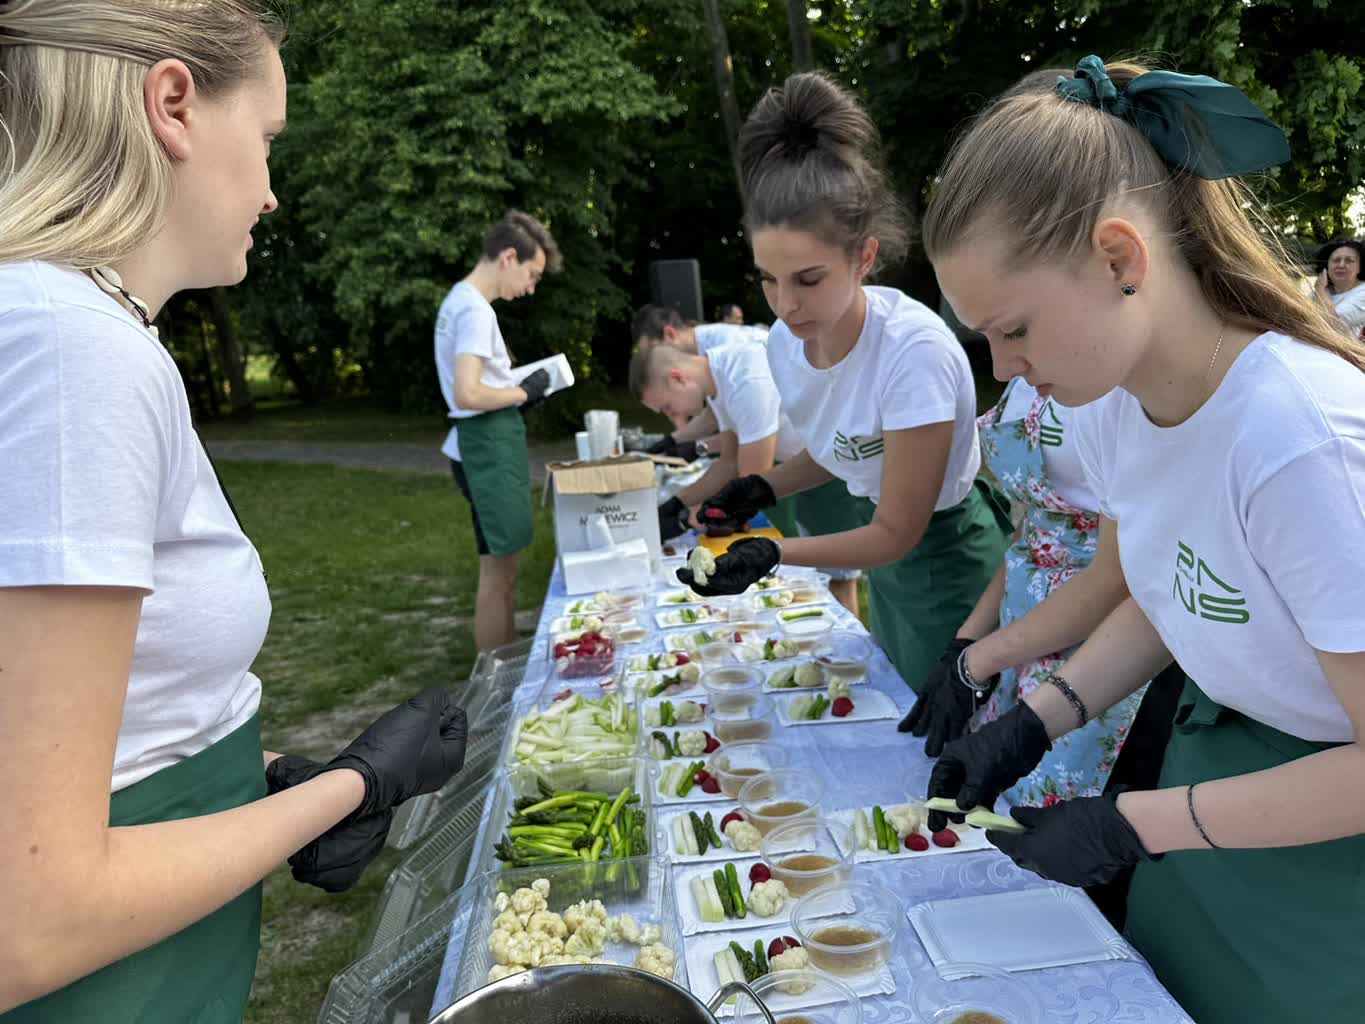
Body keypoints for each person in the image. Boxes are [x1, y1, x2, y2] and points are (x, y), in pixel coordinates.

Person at [0, 4, 467, 1020]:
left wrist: (253, 779)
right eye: (265, 141)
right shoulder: (71, 350)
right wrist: (355, 787)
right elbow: (30, 919)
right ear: (174, 106)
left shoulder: (67, 329)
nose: (268, 191)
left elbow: (83, 736)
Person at [922, 56, 1365, 1023]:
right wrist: (1036, 718)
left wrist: (1135, 820)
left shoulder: (1297, 442)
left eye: (1014, 329)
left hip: (1331, 857)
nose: (1004, 368)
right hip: (1214, 810)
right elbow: (1160, 596)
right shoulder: (1117, 406)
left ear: (1122, 260)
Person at [678, 72, 1011, 688]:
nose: (784, 305)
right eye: (767, 279)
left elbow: (898, 529)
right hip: (880, 557)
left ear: (863, 257)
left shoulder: (913, 354)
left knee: (947, 743)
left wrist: (773, 553)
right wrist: (763, 487)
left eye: (807, 279)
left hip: (945, 558)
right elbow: (848, 450)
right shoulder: (786, 343)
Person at [630, 343, 863, 614]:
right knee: (817, 581)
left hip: (835, 468)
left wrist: (688, 519)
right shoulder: (718, 383)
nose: (675, 418)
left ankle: (855, 651)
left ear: (677, 378)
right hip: (805, 468)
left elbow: (752, 478)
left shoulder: (745, 380)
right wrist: (676, 505)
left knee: (839, 581)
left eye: (669, 407)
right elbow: (728, 463)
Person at [436, 210, 563, 652]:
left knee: (502, 571)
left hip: (478, 448)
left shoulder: (460, 301)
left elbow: (479, 385)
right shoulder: (473, 311)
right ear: (509, 256)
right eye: (532, 274)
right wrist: (523, 395)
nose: (531, 287)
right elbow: (468, 393)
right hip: (483, 449)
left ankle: (506, 656)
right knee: (498, 574)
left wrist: (516, 391)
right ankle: (498, 673)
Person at [633, 303, 767, 461]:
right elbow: (715, 416)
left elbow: (745, 427)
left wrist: (697, 447)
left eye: (653, 350)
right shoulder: (705, 366)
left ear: (669, 334)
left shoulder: (728, 348)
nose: (652, 360)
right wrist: (673, 440)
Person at [1313, 238, 1365, 336]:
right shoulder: (1321, 289)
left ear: (1360, 266)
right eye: (1336, 260)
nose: (1341, 265)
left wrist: (1321, 291)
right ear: (1326, 266)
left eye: (1349, 260)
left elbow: (1332, 324)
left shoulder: (1363, 292)